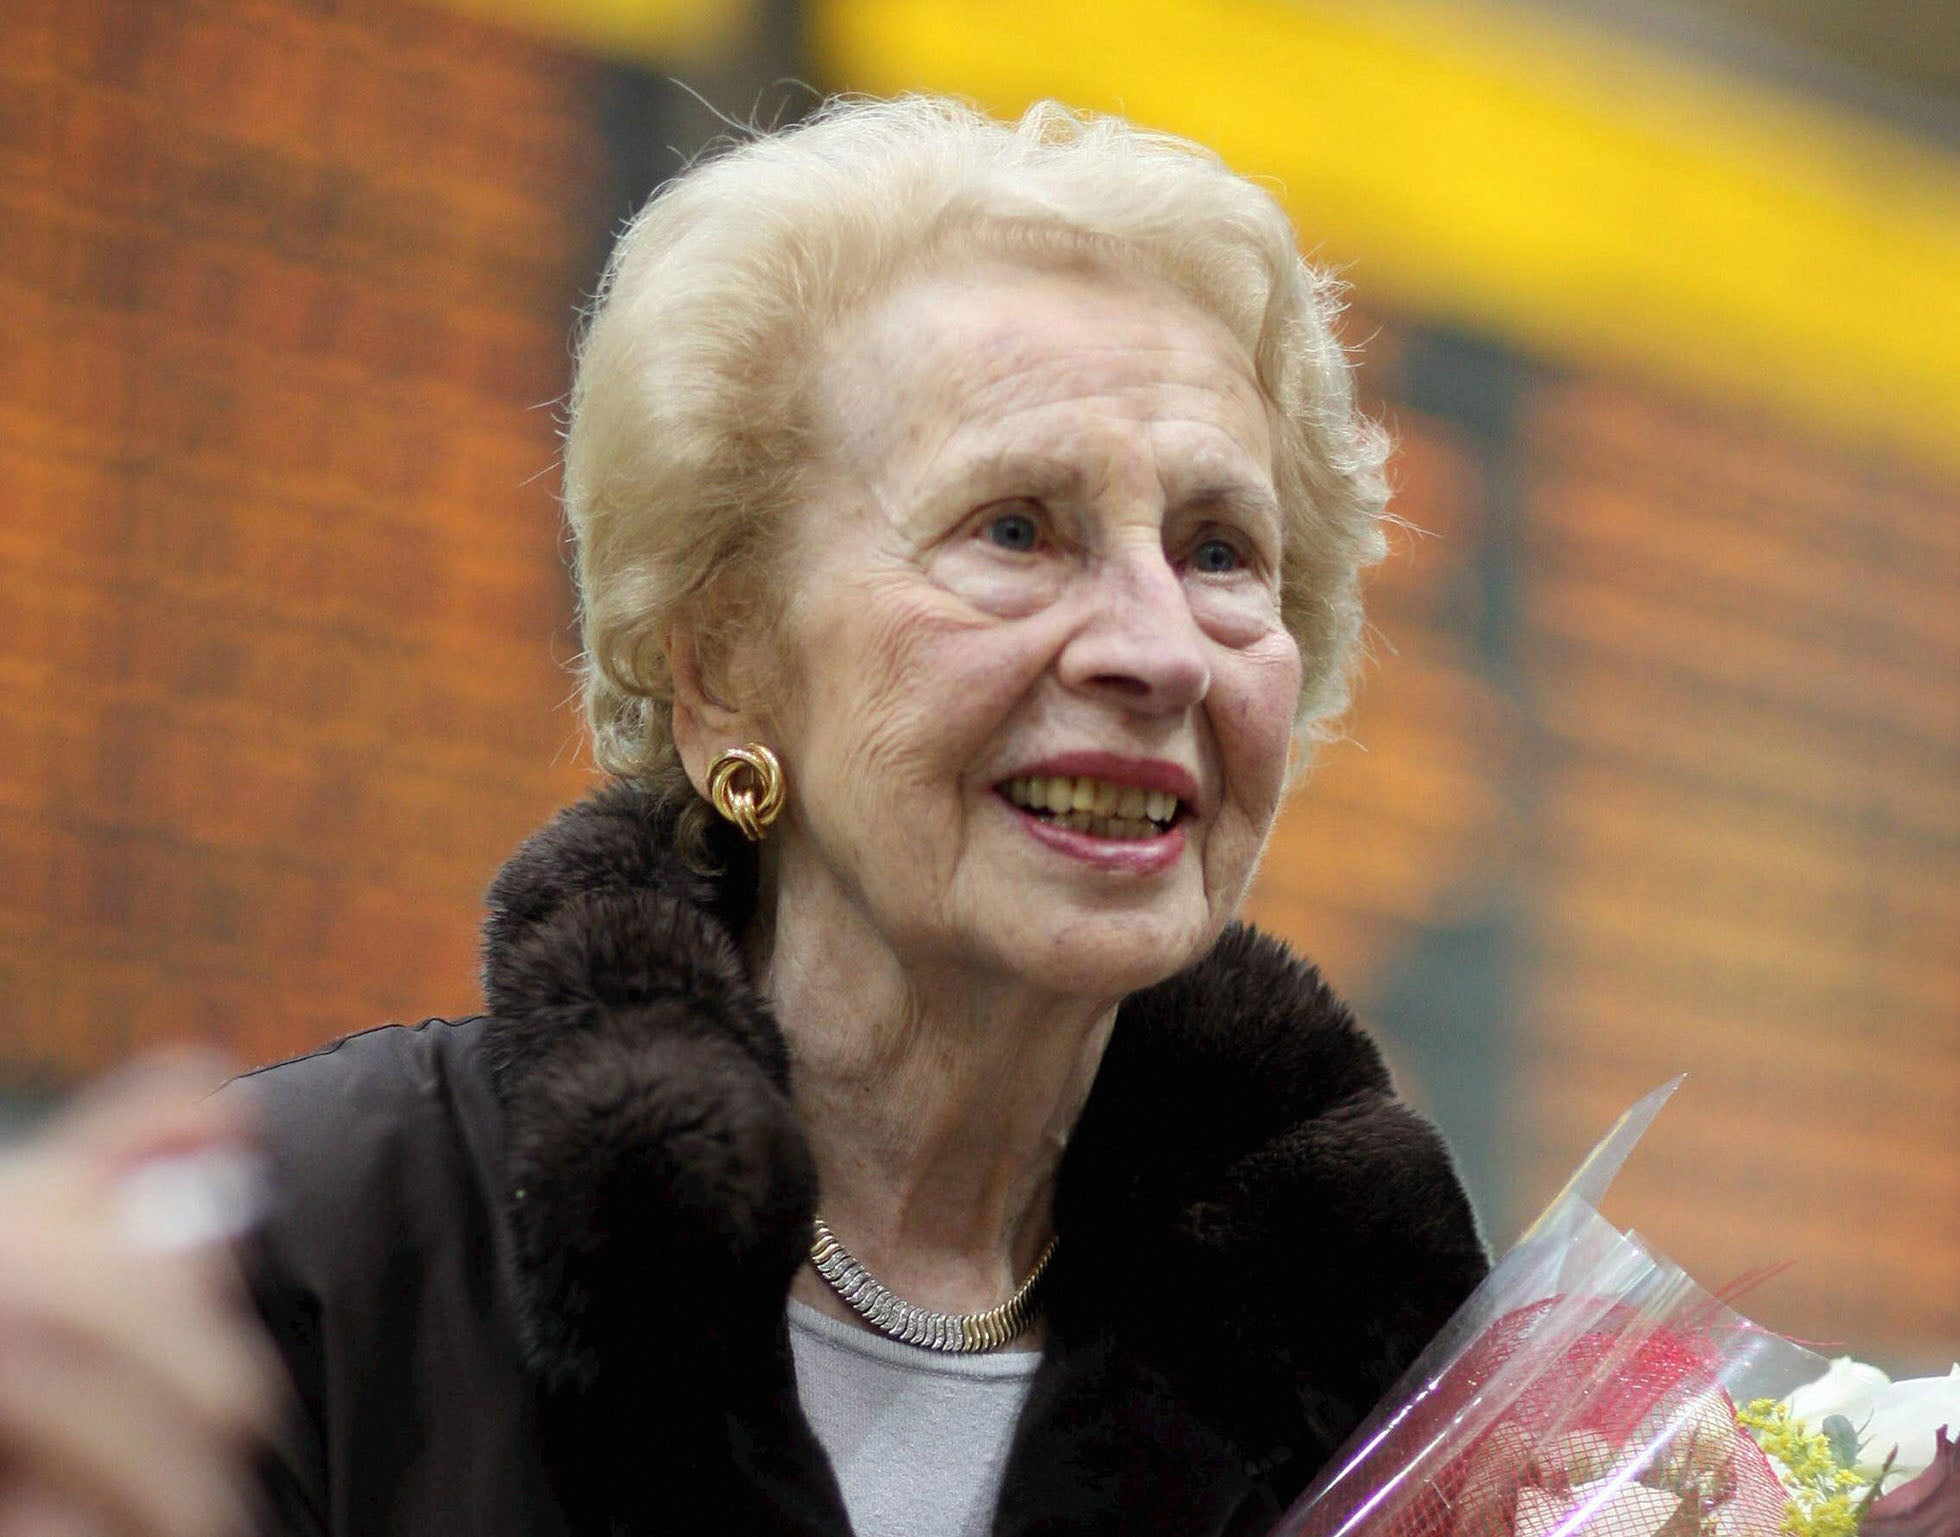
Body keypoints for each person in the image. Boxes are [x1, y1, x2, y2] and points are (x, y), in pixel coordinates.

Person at [0, 95, 1486, 1537]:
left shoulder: (1386, 1355)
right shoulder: (320, 1261)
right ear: (721, 675)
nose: (1158, 649)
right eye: (1016, 530)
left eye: (1220, 550)